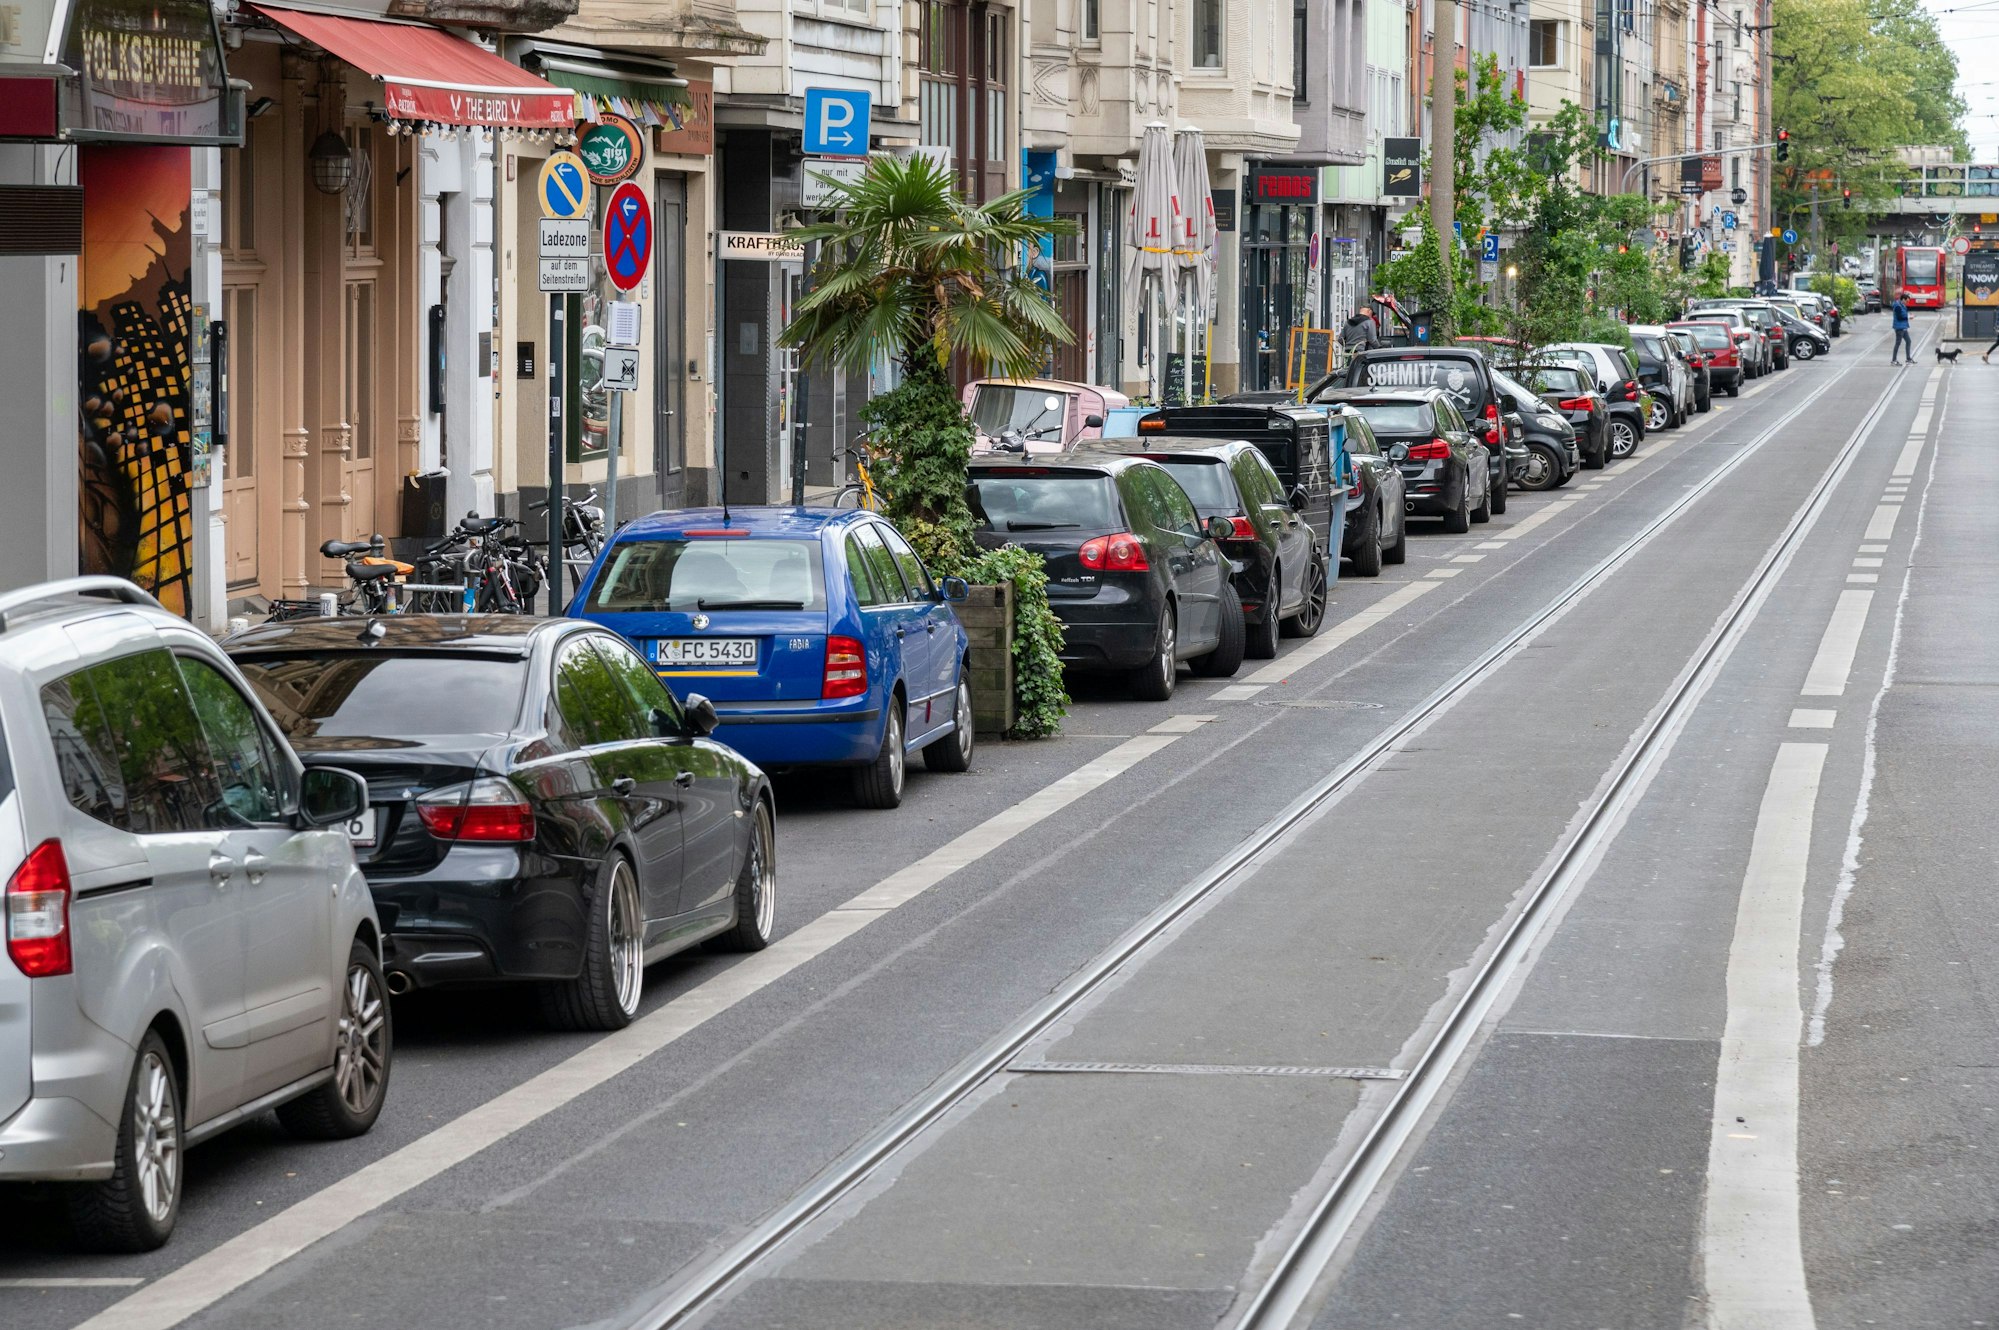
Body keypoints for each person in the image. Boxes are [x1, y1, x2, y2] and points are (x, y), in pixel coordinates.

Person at [1889, 290, 1912, 365]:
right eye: (1907, 301)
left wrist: (1908, 316)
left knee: (1908, 341)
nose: (1907, 303)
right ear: (1903, 299)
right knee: (1897, 343)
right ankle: (1894, 360)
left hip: (1904, 327)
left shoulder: (1902, 305)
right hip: (1899, 328)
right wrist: (1908, 317)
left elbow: (1903, 315)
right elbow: (1899, 317)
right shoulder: (1897, 306)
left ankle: (1908, 359)